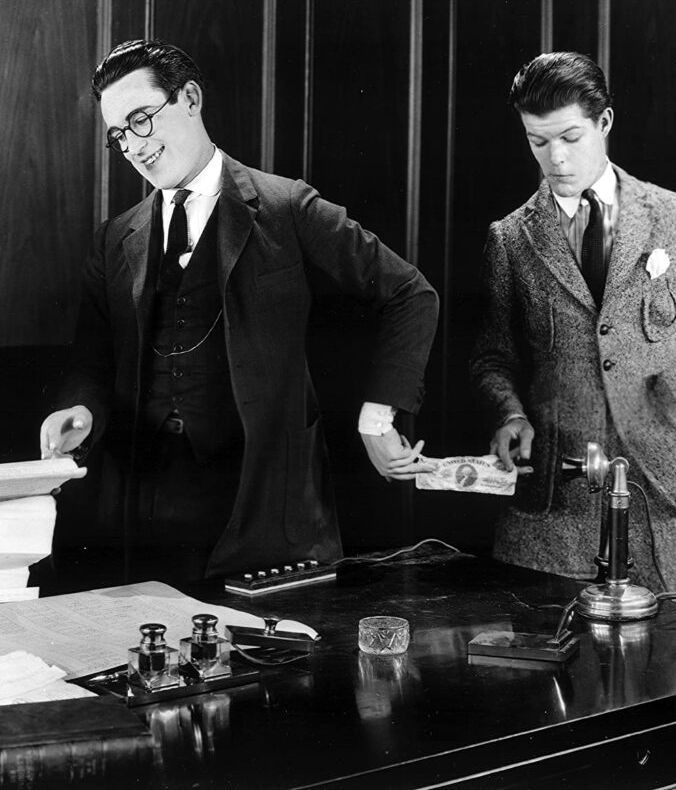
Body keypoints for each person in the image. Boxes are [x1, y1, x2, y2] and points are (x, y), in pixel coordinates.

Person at [42, 39, 438, 582]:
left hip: (262, 499)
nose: (133, 145)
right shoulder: (115, 238)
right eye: (118, 135)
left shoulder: (287, 207)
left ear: (190, 98)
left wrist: (377, 419)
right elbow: (92, 361)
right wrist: (80, 411)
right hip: (144, 505)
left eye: (140, 119)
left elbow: (410, 294)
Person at [470, 52, 676, 594]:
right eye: (538, 141)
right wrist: (509, 413)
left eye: (570, 136)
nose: (556, 157)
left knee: (668, 641)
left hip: (661, 495)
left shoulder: (671, 213)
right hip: (552, 506)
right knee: (545, 641)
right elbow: (492, 356)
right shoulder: (509, 238)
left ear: (604, 122)